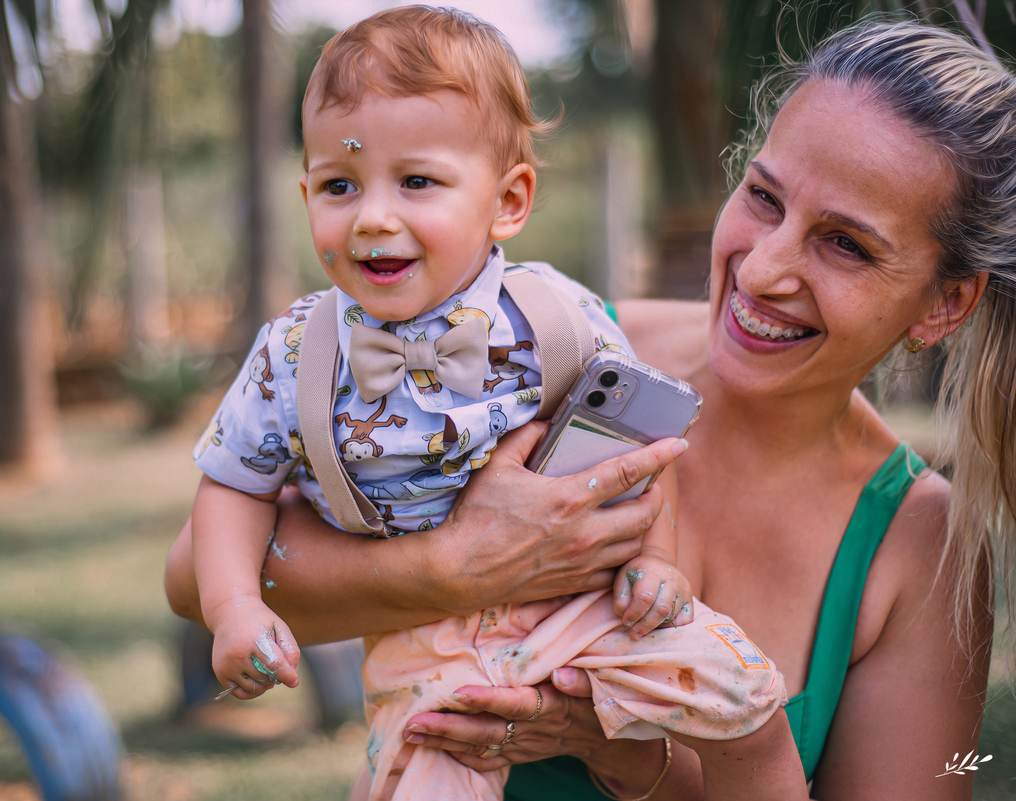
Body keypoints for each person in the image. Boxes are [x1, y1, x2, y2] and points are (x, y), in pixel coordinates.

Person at [168, 17, 1016, 800]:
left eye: (846, 244)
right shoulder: (563, 347)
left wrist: (625, 754)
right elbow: (190, 574)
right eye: (763, 197)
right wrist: (449, 568)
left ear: (943, 304)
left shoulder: (922, 548)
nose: (762, 270)